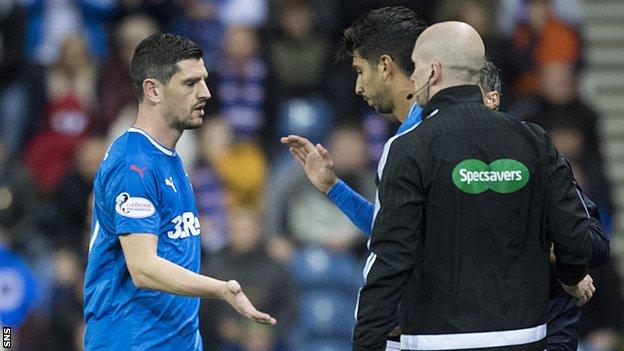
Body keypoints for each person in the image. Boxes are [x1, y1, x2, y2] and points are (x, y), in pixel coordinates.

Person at [346, 21, 596, 350]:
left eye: (417, 67)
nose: (414, 78)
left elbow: (391, 256)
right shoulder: (533, 139)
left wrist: (366, 341)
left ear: (433, 71)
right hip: (525, 337)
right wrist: (571, 274)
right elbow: (574, 231)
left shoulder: (411, 148)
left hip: (439, 339)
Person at [83, 33, 276, 351]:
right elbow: (143, 268)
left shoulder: (170, 159)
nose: (206, 93)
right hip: (132, 342)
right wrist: (221, 290)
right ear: (153, 89)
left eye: (204, 81)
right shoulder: (134, 163)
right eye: (190, 83)